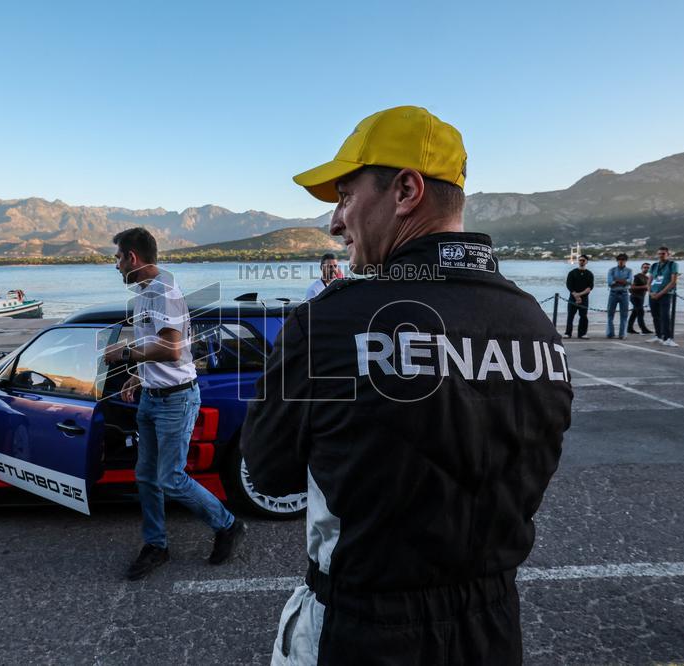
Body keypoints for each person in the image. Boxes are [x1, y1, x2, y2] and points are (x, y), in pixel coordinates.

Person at [241, 106, 573, 665]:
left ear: (406, 190)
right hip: (493, 628)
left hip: (361, 629)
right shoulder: (534, 323)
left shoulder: (331, 321)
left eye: (345, 196)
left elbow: (268, 473)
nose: (335, 222)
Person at [103, 227, 244, 581]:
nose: (116, 266)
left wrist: (123, 353)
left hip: (176, 401)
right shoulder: (146, 293)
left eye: (118, 258)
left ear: (133, 258)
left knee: (171, 478)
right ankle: (156, 545)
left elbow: (171, 348)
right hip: (152, 397)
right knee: (146, 476)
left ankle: (227, 524)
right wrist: (139, 375)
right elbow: (159, 345)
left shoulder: (164, 292)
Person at [648, 246, 680, 347]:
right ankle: (658, 336)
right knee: (655, 316)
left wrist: (660, 293)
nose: (661, 255)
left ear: (668, 254)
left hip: (665, 295)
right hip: (653, 294)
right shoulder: (654, 266)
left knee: (665, 316)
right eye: (659, 254)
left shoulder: (672, 265)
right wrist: (650, 292)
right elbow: (649, 281)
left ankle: (668, 338)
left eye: (663, 254)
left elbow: (673, 282)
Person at [565, 255, 594, 339]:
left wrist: (580, 295)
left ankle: (582, 334)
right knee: (570, 316)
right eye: (580, 260)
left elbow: (590, 287)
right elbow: (569, 285)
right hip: (572, 297)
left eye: (583, 260)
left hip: (584, 298)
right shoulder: (572, 272)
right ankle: (568, 333)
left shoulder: (589, 274)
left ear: (586, 262)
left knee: (583, 316)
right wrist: (575, 295)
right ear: (578, 261)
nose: (581, 261)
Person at [606, 253, 632, 339]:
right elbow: (610, 283)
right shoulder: (612, 270)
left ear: (625, 261)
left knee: (624, 315)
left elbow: (630, 282)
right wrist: (623, 281)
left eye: (623, 260)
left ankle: (622, 334)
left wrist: (616, 280)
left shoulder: (629, 271)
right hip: (613, 294)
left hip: (624, 294)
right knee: (610, 314)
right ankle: (610, 333)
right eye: (619, 259)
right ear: (617, 261)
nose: (621, 261)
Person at [627, 262, 653, 335]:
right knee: (641, 312)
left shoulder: (648, 278)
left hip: (641, 297)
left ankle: (629, 328)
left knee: (634, 313)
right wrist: (645, 287)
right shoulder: (637, 276)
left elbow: (648, 288)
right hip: (635, 297)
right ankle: (643, 329)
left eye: (648, 268)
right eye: (645, 267)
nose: (646, 269)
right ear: (642, 268)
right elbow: (632, 287)